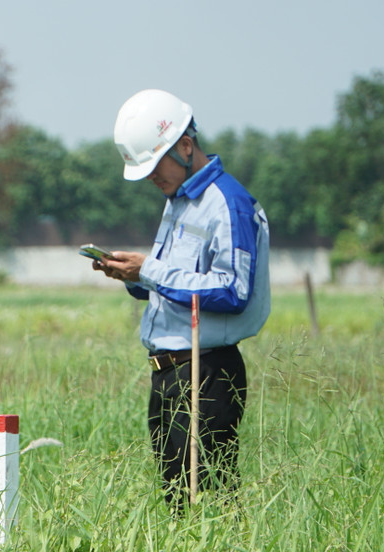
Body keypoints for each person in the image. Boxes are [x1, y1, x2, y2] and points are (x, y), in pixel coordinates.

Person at [92, 89, 271, 507]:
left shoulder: (227, 204)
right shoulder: (178, 203)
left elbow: (233, 291)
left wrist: (149, 271)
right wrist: (131, 276)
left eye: (156, 166)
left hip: (206, 370)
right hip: (171, 373)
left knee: (206, 498)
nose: (152, 178)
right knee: (177, 498)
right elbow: (175, 285)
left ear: (186, 146)